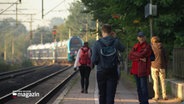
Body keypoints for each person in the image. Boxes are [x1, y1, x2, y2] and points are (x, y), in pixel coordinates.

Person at [92, 24, 125, 104]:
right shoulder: (115, 42)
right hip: (113, 71)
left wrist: (99, 62)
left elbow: (94, 60)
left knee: (102, 94)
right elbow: (123, 49)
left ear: (102, 32)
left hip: (101, 71)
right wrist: (116, 37)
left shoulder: (97, 43)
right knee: (111, 95)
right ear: (111, 32)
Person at [128, 31, 152, 104]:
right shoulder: (135, 46)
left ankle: (145, 102)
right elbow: (130, 56)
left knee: (143, 87)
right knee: (138, 87)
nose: (141, 38)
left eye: (142, 36)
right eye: (139, 37)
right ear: (137, 38)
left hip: (143, 69)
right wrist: (139, 58)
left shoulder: (147, 46)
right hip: (135, 69)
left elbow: (142, 54)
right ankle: (141, 101)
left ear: (145, 37)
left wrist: (136, 55)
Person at [151, 36, 168, 100]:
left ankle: (156, 96)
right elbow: (166, 57)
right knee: (163, 81)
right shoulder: (162, 47)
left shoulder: (152, 48)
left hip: (154, 66)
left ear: (152, 42)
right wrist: (166, 64)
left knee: (155, 81)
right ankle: (164, 95)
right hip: (162, 66)